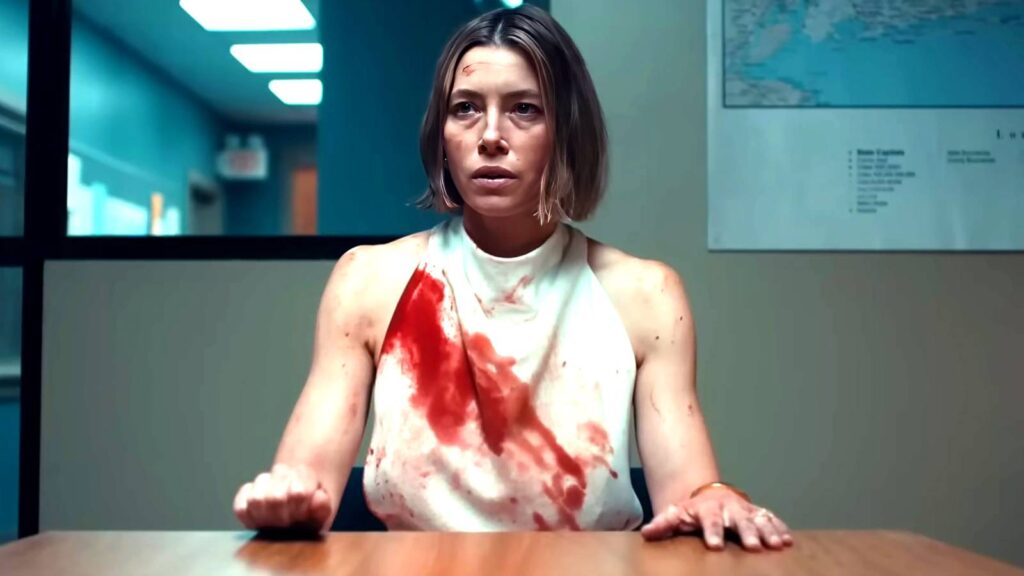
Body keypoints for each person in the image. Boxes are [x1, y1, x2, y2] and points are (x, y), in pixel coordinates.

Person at [233, 5, 793, 552]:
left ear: (567, 132)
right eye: (465, 109)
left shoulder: (646, 296)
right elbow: (305, 479)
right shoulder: (368, 281)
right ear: (441, 134)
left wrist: (713, 498)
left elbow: (689, 495)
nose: (490, 136)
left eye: (524, 109)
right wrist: (289, 499)